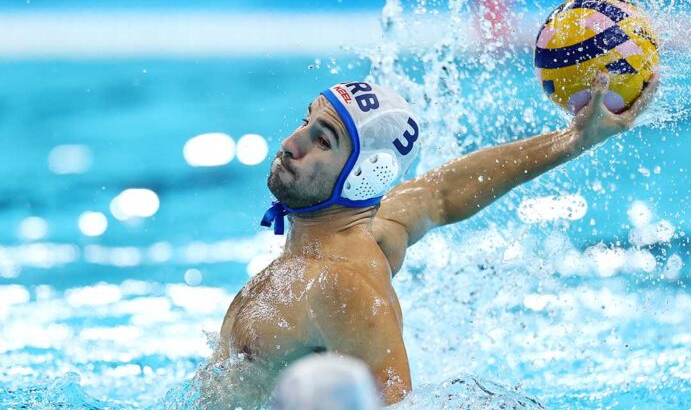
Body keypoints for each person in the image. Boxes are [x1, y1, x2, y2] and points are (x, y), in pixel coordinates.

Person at [202, 73, 659, 408]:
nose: (289, 143)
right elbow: (440, 193)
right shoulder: (372, 233)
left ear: (364, 175)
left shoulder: (342, 286)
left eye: (322, 141)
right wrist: (572, 140)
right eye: (305, 122)